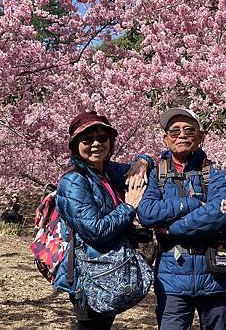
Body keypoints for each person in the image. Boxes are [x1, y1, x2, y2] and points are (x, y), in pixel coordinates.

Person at [138, 108, 226, 330]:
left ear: (200, 137)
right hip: (171, 278)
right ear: (165, 139)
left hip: (216, 276)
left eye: (189, 130)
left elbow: (220, 214)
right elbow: (146, 212)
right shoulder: (157, 173)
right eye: (174, 131)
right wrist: (191, 204)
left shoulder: (217, 171)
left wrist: (173, 229)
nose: (181, 135)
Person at [53, 111, 153, 330]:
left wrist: (144, 161)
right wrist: (129, 207)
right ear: (75, 146)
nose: (96, 144)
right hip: (89, 274)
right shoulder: (73, 181)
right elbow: (95, 230)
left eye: (102, 138)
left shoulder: (109, 171)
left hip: (110, 270)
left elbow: (147, 166)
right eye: (87, 140)